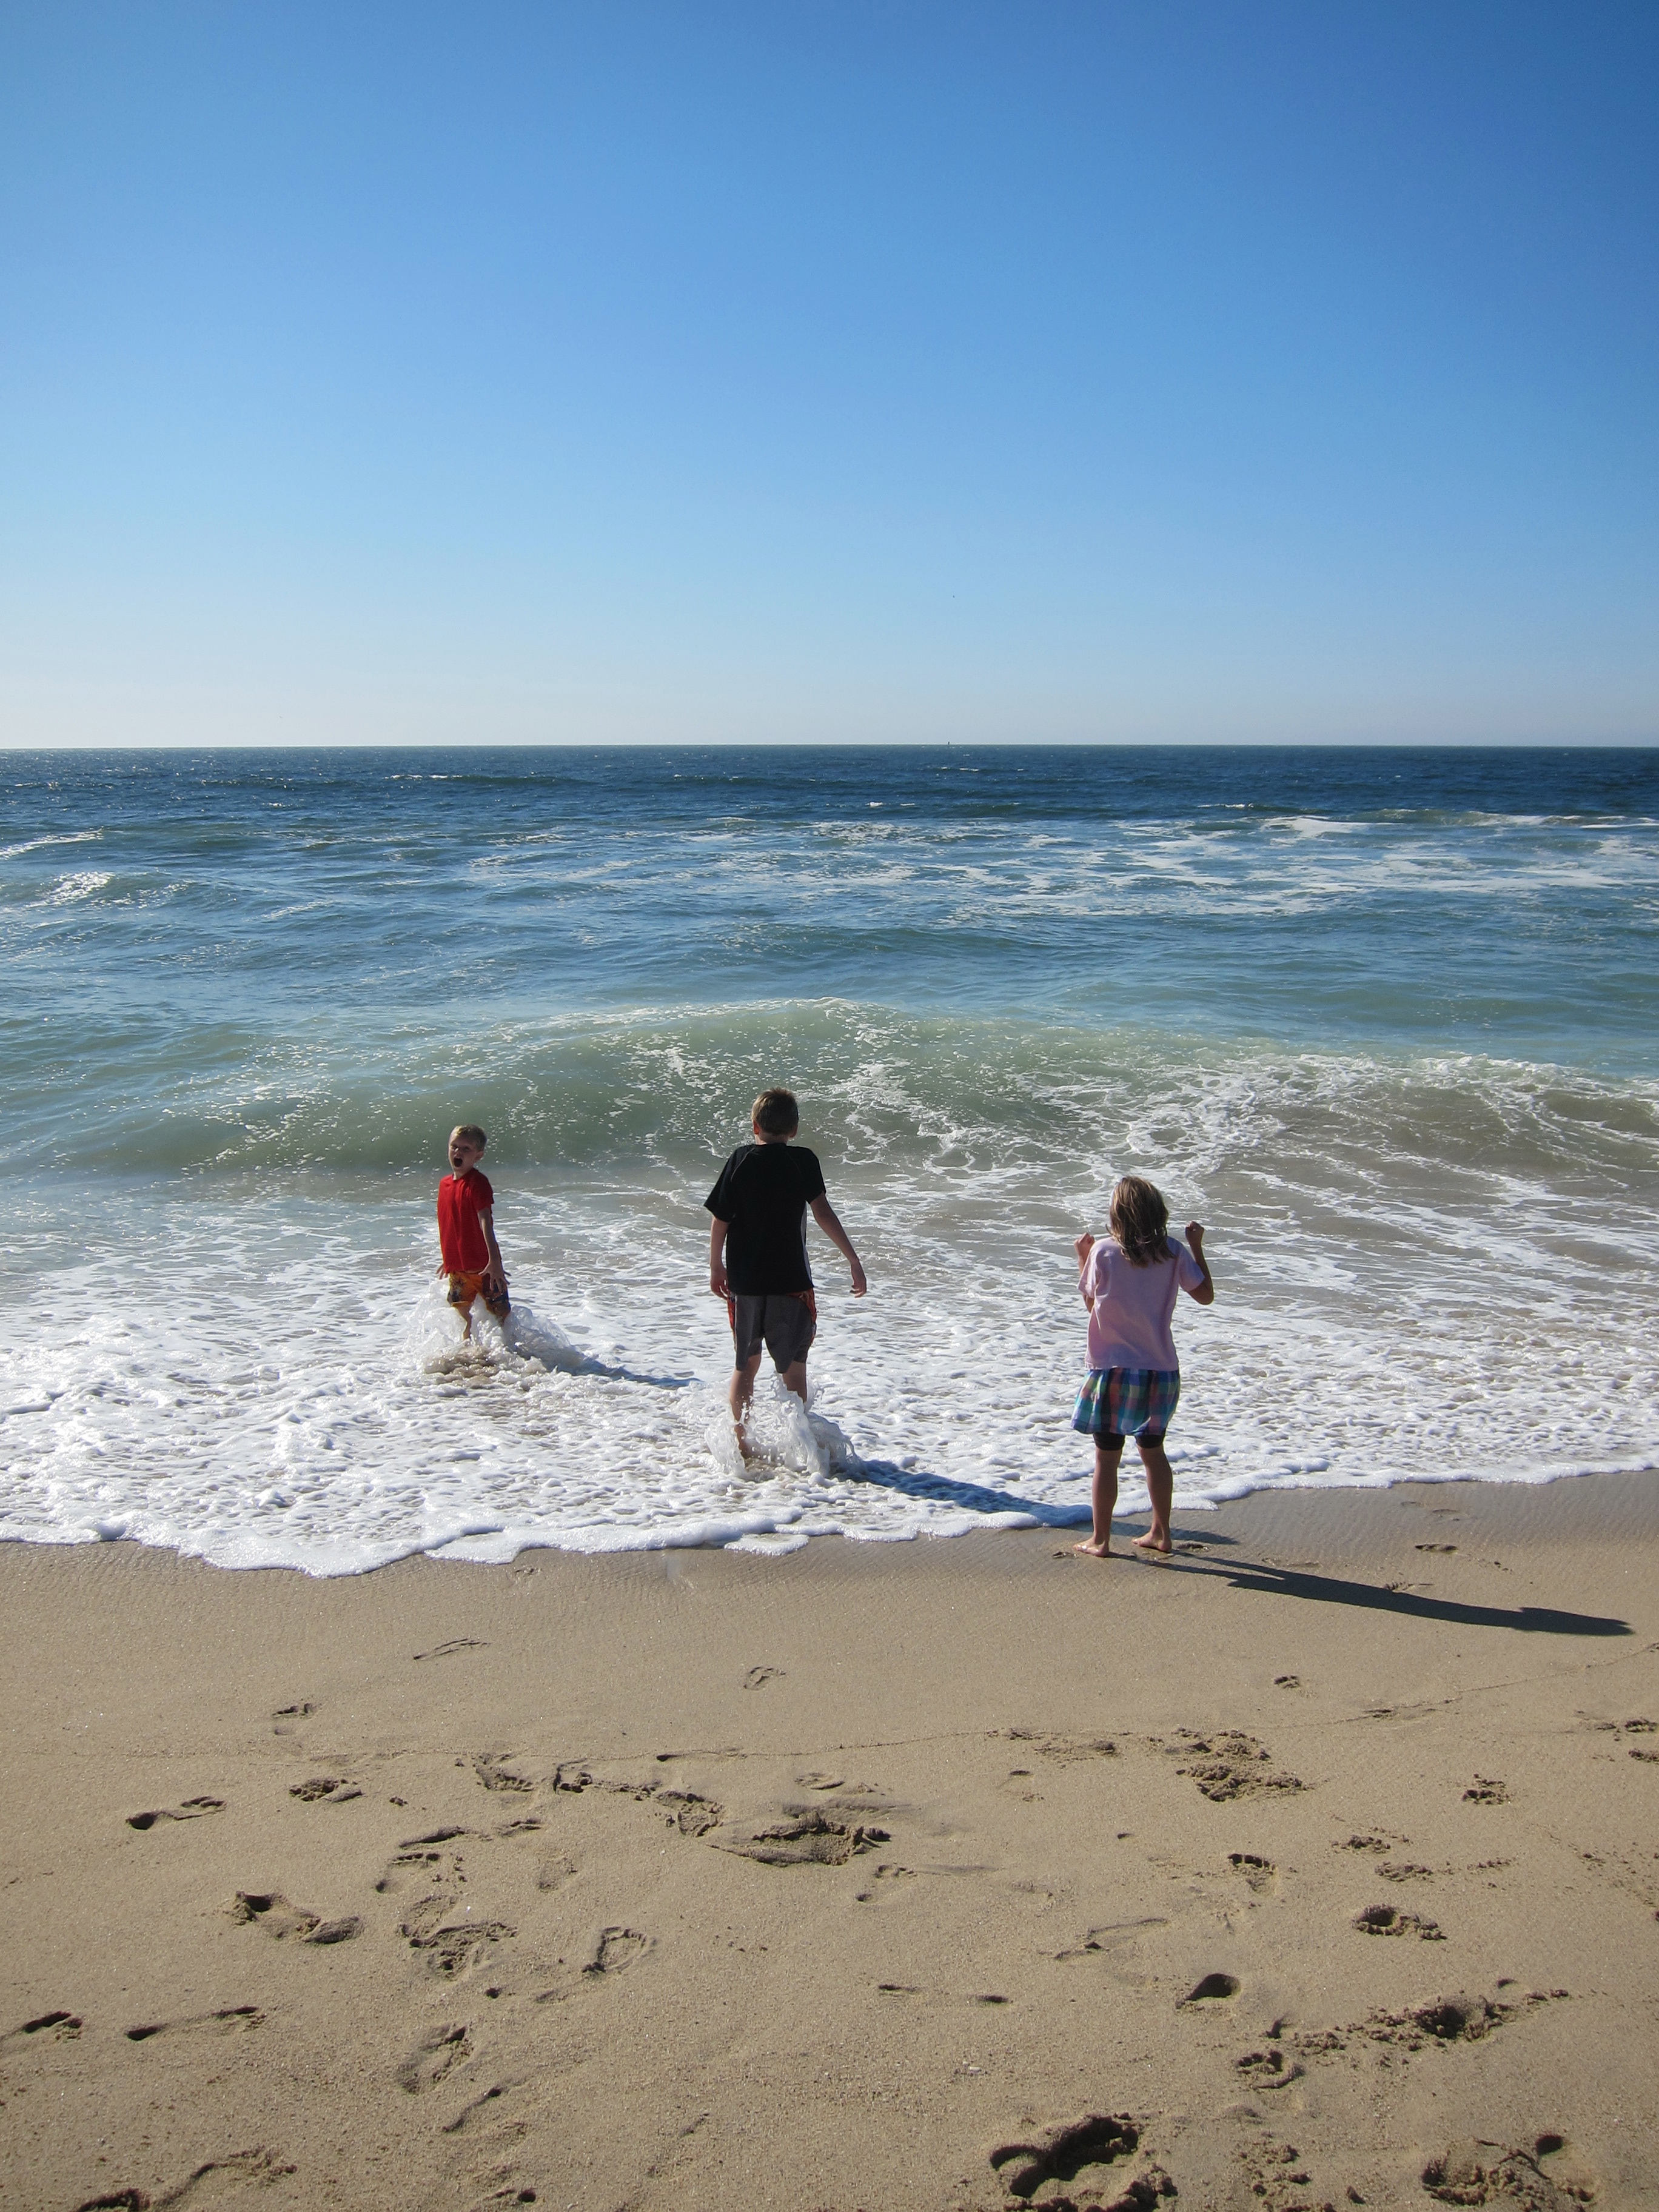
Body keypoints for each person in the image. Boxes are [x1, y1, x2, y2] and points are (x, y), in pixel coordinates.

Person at [706, 1087, 866, 1447]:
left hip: (746, 1285)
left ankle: (741, 1441)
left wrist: (716, 1266)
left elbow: (721, 1219)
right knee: (793, 1367)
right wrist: (853, 1260)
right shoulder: (803, 1160)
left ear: (755, 1126)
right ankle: (801, 1445)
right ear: (793, 1130)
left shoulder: (739, 1160)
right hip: (791, 1283)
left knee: (745, 1365)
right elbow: (823, 1213)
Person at [1071, 1175, 1213, 1560]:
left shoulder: (1102, 1252)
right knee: (1153, 1451)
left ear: (1116, 1214)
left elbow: (1092, 1305)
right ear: (1157, 1212)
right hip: (1160, 1370)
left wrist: (1082, 1258)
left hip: (1112, 1370)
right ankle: (1161, 1532)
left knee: (1107, 1456)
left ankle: (1101, 1540)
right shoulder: (1172, 1251)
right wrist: (1198, 1248)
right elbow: (1205, 1296)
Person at [437, 1124, 510, 1339]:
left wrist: (494, 1260)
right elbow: (450, 1223)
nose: (458, 1152)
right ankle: (471, 1352)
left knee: (500, 1314)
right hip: (458, 1268)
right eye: (454, 1147)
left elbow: (485, 1221)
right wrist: (447, 1256)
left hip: (483, 1267)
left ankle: (505, 1354)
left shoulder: (478, 1183)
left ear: (478, 1156)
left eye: (466, 1149)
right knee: (459, 1310)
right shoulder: (444, 1185)